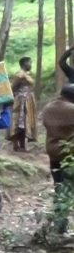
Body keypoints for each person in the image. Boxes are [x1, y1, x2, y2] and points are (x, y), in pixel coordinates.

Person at [42, 84, 74, 234]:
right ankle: (61, 226)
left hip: (53, 153)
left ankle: (59, 224)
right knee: (68, 190)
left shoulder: (48, 108)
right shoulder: (71, 109)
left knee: (59, 187)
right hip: (69, 155)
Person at [8, 57, 38, 152]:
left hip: (28, 100)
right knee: (18, 121)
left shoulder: (26, 74)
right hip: (20, 101)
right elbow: (13, 87)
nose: (31, 65)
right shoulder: (19, 74)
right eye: (29, 62)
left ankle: (23, 145)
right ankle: (15, 145)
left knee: (25, 122)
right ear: (24, 63)